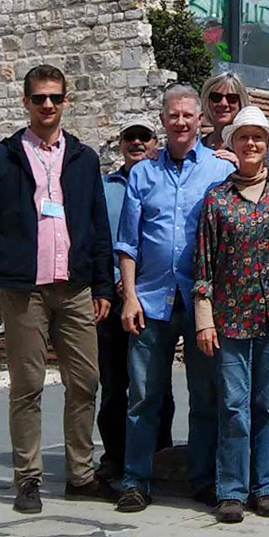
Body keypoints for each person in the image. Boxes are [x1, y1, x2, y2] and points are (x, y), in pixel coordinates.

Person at [0, 65, 114, 514]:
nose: (47, 106)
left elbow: (98, 224)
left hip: (75, 287)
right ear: (25, 102)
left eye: (55, 98)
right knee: (27, 386)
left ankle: (81, 475)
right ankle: (28, 479)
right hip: (26, 291)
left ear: (65, 103)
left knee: (86, 381)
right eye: (39, 98)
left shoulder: (83, 157)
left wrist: (103, 284)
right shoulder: (3, 157)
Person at [113, 85, 235, 513]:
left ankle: (202, 477)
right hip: (150, 298)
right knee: (144, 394)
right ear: (162, 121)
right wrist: (129, 297)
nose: (181, 122)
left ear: (201, 120)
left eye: (188, 115)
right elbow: (127, 244)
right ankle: (135, 479)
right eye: (173, 116)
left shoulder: (220, 172)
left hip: (202, 303)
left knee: (206, 394)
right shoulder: (143, 174)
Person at [192, 106, 269, 524]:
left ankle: (265, 487)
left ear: (266, 146)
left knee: (267, 406)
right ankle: (231, 490)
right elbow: (203, 266)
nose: (251, 144)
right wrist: (203, 318)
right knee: (233, 406)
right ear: (233, 144)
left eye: (258, 138)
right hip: (230, 320)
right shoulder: (217, 199)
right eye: (243, 137)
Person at [97, 118, 172, 479]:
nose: (138, 143)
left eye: (144, 137)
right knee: (114, 384)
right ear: (121, 143)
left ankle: (161, 453)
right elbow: (98, 241)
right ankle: (114, 456)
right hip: (114, 299)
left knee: (157, 384)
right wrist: (115, 284)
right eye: (131, 137)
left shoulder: (163, 180)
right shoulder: (105, 188)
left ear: (155, 142)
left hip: (153, 297)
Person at [199, 71, 249, 163]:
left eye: (231, 98)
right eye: (216, 97)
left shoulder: (252, 146)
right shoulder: (198, 147)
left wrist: (243, 167)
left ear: (240, 103)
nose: (223, 103)